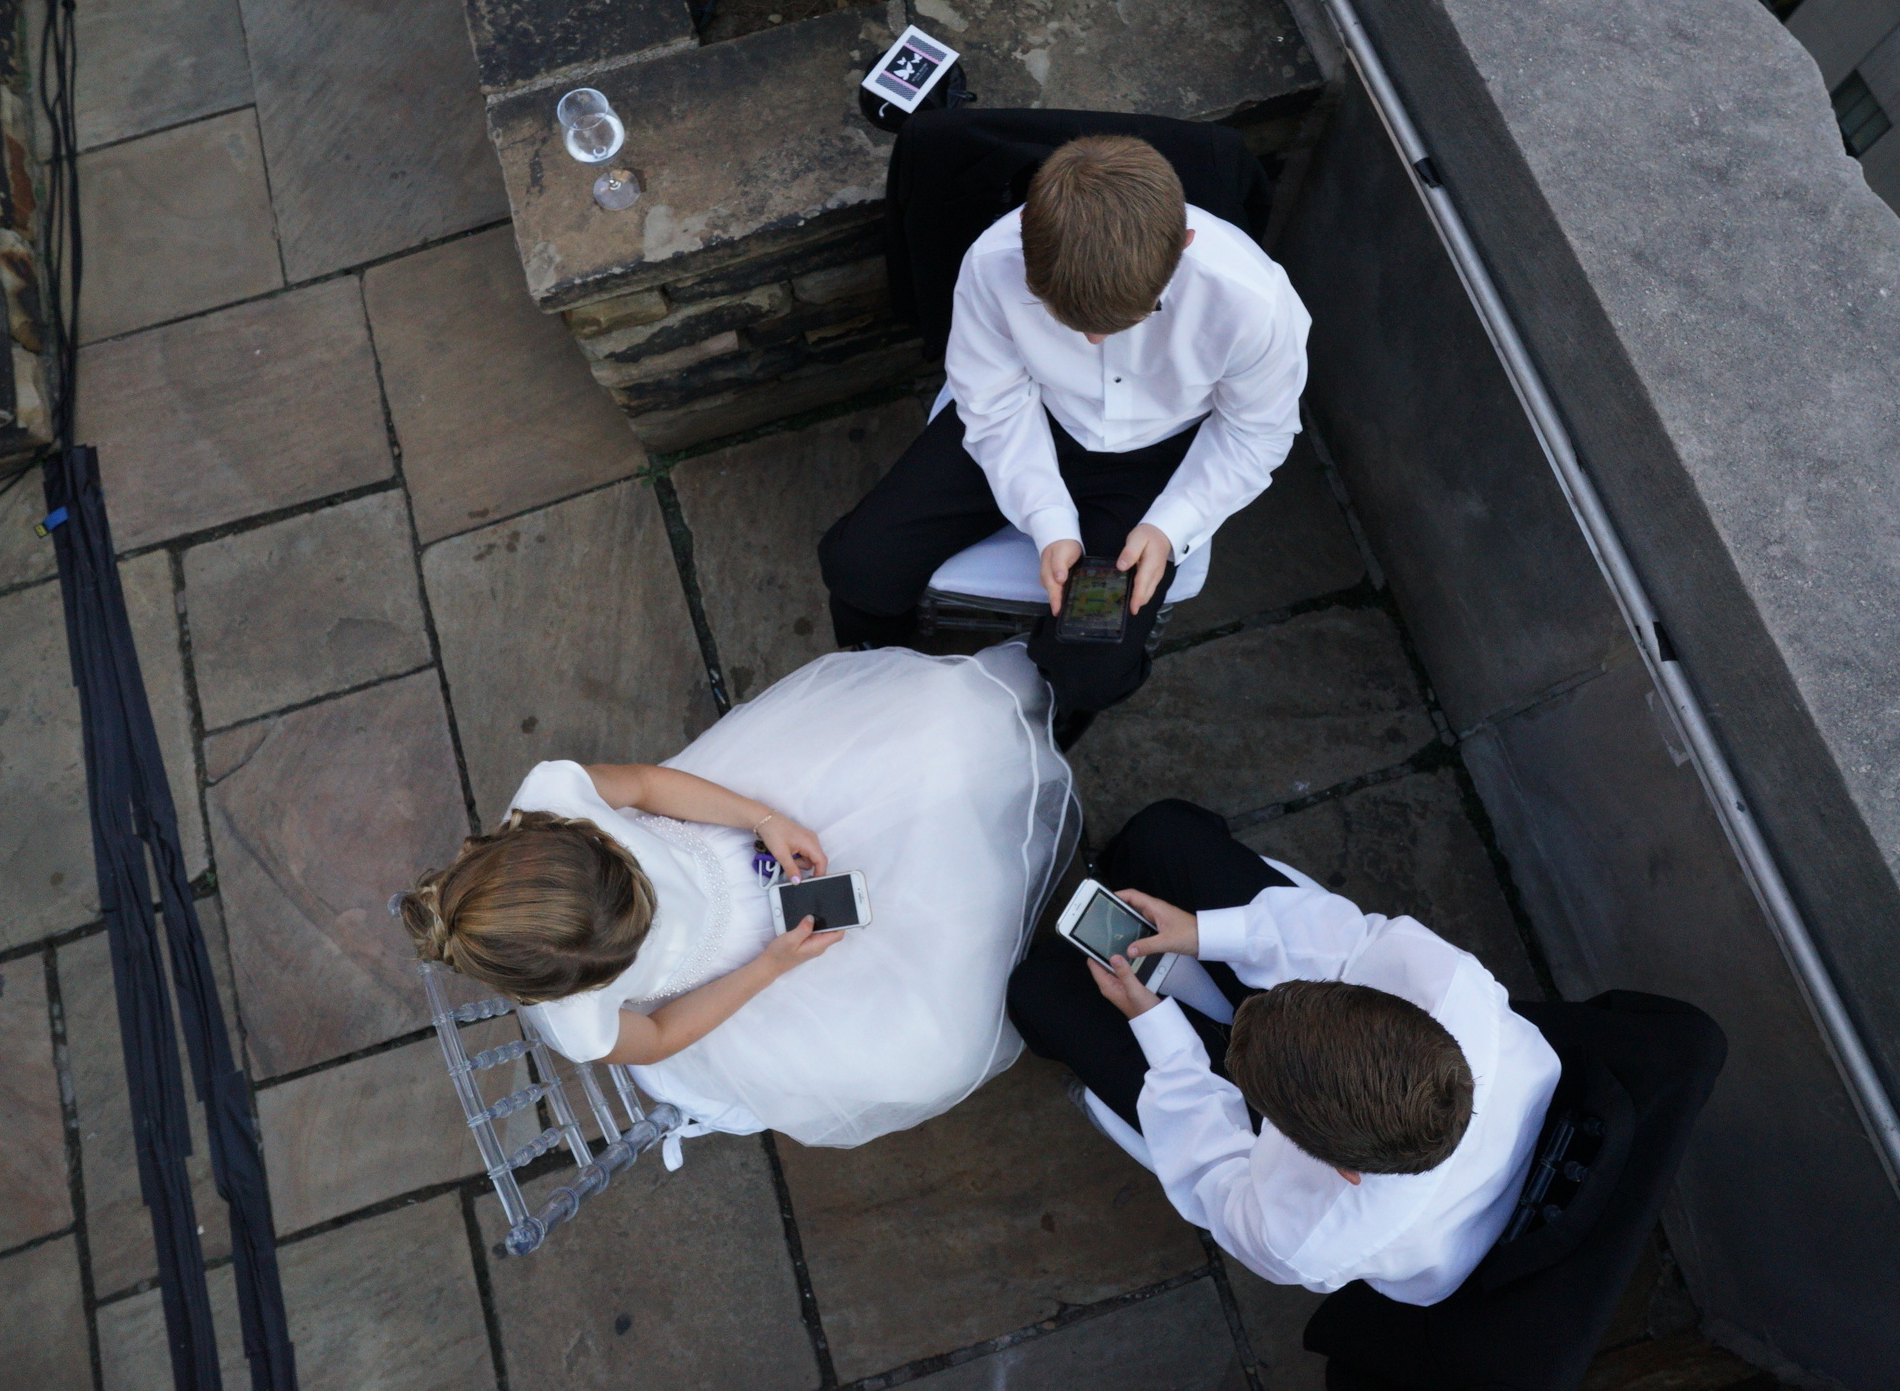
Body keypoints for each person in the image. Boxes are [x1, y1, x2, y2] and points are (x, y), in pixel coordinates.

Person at [400, 644, 1075, 1149]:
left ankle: (989, 835)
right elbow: (662, 1033)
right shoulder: (582, 1023)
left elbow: (645, 785)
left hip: (727, 834)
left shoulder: (553, 795)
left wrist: (762, 818)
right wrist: (771, 967)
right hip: (740, 970)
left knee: (951, 724)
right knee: (932, 1051)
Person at [819, 135, 1310, 729]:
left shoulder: (1255, 303)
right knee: (857, 564)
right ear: (1026, 242)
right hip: (1026, 418)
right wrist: (1048, 519)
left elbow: (1254, 432)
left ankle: (1046, 727)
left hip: (1158, 459)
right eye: (1065, 321)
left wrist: (1169, 526)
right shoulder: (992, 260)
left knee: (1091, 668)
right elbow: (995, 399)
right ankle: (879, 675)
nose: (1095, 344)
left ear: (1184, 247)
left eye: (1130, 319)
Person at [1006, 801, 1561, 1302]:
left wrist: (1157, 1028)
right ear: (1397, 1008)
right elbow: (1349, 942)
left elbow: (1212, 1170)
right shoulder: (1448, 986)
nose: (1241, 1012)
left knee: (1038, 994)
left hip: (1292, 1171)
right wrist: (1204, 933)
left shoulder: (1299, 1237)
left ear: (1340, 1169)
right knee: (1162, 831)